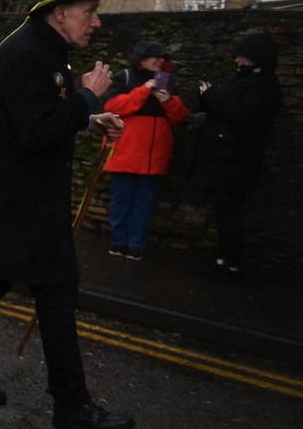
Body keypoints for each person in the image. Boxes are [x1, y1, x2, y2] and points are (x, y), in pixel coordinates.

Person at [0, 0, 135, 429]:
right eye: (90, 12)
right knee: (57, 289)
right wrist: (87, 99)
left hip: (16, 202)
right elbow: (36, 133)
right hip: (15, 204)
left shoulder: (46, 50)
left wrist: (90, 119)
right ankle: (71, 403)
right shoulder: (26, 56)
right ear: (60, 12)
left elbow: (40, 119)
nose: (97, 22)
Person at [189, 30, 282, 284]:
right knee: (222, 214)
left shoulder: (265, 86)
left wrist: (211, 96)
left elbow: (239, 112)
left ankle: (230, 266)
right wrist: (208, 96)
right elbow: (221, 103)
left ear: (256, 58)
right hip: (223, 162)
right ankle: (222, 261)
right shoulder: (245, 81)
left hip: (235, 165)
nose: (237, 61)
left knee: (229, 215)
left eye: (243, 56)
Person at [101, 41, 190, 260]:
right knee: (121, 202)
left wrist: (168, 101)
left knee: (144, 204)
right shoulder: (125, 77)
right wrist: (144, 90)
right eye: (155, 57)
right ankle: (119, 241)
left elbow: (180, 117)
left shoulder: (167, 82)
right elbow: (112, 106)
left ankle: (136, 244)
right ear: (141, 59)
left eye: (162, 57)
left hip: (153, 158)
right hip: (125, 153)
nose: (160, 61)